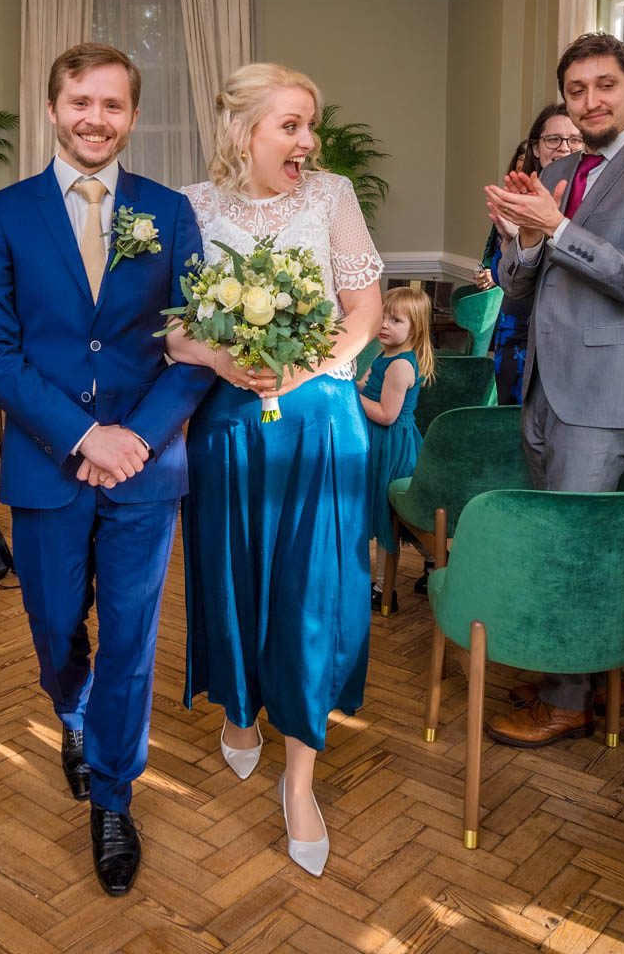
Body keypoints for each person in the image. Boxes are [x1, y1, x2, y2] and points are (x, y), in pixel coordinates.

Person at [0, 43, 214, 897]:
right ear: (53, 107)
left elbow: (196, 347)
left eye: (112, 105)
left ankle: (114, 793)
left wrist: (134, 439)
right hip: (48, 466)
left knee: (133, 642)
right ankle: (71, 714)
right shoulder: (3, 215)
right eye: (80, 102)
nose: (95, 119)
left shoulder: (170, 212)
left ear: (133, 117)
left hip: (146, 470)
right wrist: (83, 437)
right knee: (54, 624)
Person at [167, 62, 385, 878]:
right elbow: (173, 335)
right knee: (232, 578)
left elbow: (363, 312)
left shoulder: (331, 198)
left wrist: (297, 370)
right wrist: (224, 358)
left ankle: (300, 781)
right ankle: (238, 707)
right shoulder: (193, 207)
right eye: (290, 124)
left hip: (322, 423)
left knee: (312, 595)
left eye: (311, 124)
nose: (308, 140)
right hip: (227, 425)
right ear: (244, 131)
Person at [482, 32, 624, 748]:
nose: (590, 101)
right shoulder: (564, 168)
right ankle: (567, 675)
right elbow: (521, 293)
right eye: (577, 90)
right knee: (557, 540)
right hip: (545, 381)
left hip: (605, 390)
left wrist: (559, 226)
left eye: (605, 85)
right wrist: (518, 238)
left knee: (578, 544)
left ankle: (571, 700)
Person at [478, 104, 582, 403]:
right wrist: (514, 240)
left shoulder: (598, 200)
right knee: (517, 429)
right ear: (536, 147)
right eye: (554, 139)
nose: (564, 148)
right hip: (520, 332)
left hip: (574, 338)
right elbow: (501, 275)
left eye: (575, 139)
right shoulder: (517, 200)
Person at [360, 284, 435, 612]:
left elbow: (386, 415)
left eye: (396, 320)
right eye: (383, 317)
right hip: (379, 442)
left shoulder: (401, 365)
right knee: (390, 515)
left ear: (415, 329)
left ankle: (381, 589)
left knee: (386, 515)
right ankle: (432, 562)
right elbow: (368, 384)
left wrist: (351, 397)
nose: (385, 325)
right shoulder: (385, 354)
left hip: (391, 447)